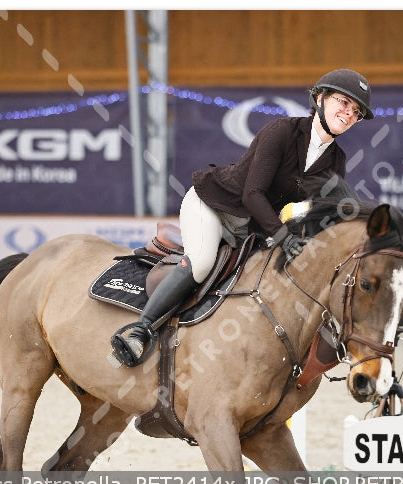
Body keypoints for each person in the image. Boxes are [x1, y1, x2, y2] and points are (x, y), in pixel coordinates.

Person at [110, 68, 374, 367]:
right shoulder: (282, 131)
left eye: (356, 112)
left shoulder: (336, 160)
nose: (349, 113)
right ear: (320, 97)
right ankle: (140, 331)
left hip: (254, 228)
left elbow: (327, 212)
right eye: (343, 102)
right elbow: (252, 194)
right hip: (214, 205)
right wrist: (283, 235)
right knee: (202, 263)